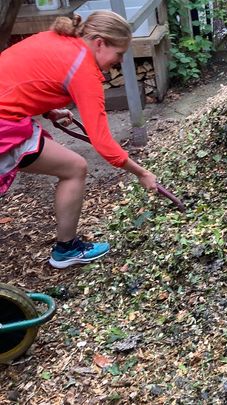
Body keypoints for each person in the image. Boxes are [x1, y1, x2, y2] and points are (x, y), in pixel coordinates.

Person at [0, 11, 157, 269]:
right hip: (4, 125)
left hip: (8, 116)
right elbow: (104, 143)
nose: (117, 63)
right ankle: (66, 250)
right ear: (99, 43)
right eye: (118, 54)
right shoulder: (85, 70)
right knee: (75, 168)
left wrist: (48, 109)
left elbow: (22, 79)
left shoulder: (57, 39)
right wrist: (141, 173)